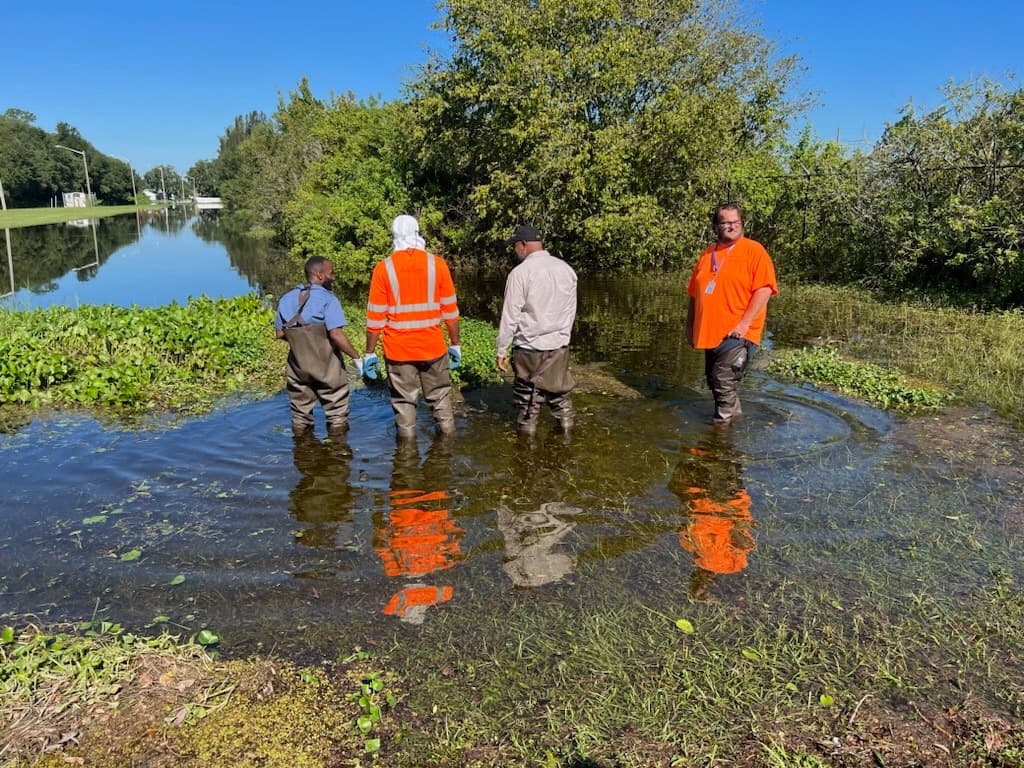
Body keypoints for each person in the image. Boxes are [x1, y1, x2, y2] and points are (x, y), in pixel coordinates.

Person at [363, 215, 461, 439]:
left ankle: (406, 458)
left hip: (399, 351)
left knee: (404, 402)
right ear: (418, 233)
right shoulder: (437, 264)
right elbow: (451, 311)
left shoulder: (383, 268)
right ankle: (448, 448)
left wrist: (369, 353)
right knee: (440, 398)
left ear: (394, 236)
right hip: (433, 347)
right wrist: (455, 344)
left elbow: (375, 317)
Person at [686, 204, 778, 424]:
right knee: (715, 381)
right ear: (716, 226)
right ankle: (733, 422)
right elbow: (694, 295)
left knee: (722, 380)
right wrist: (690, 328)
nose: (731, 226)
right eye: (726, 222)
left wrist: (743, 325)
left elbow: (765, 289)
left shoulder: (754, 250)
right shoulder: (708, 254)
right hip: (710, 334)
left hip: (738, 333)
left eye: (736, 222)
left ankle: (720, 436)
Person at [496, 224, 578, 435]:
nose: (514, 251)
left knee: (528, 405)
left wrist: (502, 350)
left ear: (523, 245)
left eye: (515, 246)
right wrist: (563, 338)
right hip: (559, 347)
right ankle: (567, 444)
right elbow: (571, 311)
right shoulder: (566, 270)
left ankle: (525, 458)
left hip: (528, 348)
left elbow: (510, 316)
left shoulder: (520, 274)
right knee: (561, 399)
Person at [275, 256, 361, 434]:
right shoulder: (328, 300)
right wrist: (356, 357)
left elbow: (280, 333)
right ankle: (337, 453)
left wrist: (301, 343)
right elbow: (336, 335)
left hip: (298, 369)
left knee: (300, 416)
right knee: (337, 414)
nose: (334, 277)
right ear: (320, 275)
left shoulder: (285, 299)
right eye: (331, 273)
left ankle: (304, 455)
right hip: (327, 368)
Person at [667, 432, 756, 600]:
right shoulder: (728, 563)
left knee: (713, 457)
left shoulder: (695, 550)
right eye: (705, 586)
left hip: (713, 499)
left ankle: (715, 436)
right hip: (720, 499)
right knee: (717, 456)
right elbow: (742, 539)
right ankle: (719, 433)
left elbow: (686, 522)